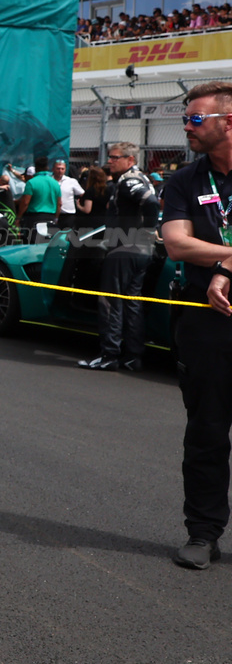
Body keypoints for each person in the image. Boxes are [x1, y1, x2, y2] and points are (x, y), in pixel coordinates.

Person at [161, 83, 232, 570]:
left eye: (195, 119)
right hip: (207, 322)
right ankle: (203, 532)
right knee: (206, 431)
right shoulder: (184, 180)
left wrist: (225, 267)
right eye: (187, 118)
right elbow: (178, 245)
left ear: (228, 122)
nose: (187, 126)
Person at [77, 142, 158, 372]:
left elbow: (151, 203)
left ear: (130, 160)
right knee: (132, 303)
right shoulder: (141, 178)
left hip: (125, 250)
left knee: (110, 302)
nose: (110, 161)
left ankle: (109, 355)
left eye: (115, 157)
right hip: (140, 251)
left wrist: (148, 231)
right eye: (109, 157)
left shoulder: (129, 181)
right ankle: (133, 357)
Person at [16, 156, 60, 241]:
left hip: (34, 218)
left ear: (36, 168)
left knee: (32, 243)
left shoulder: (31, 182)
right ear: (47, 168)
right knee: (47, 244)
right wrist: (56, 218)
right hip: (50, 217)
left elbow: (25, 202)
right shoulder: (55, 183)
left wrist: (19, 217)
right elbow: (59, 204)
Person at [52, 158, 84, 229]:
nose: (60, 171)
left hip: (68, 215)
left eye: (62, 169)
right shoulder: (49, 181)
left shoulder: (71, 181)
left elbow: (82, 194)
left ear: (65, 170)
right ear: (53, 169)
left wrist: (80, 205)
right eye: (58, 169)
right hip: (52, 213)